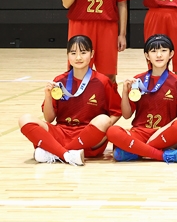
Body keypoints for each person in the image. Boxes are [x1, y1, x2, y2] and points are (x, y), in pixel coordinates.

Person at [18, 35, 121, 166]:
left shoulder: (102, 81)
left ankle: (54, 152)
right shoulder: (60, 81)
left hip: (88, 136)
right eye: (73, 53)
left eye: (83, 53)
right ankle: (67, 155)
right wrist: (48, 96)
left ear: (92, 54)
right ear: (68, 55)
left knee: (104, 120)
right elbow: (49, 118)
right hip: (62, 132)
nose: (78, 58)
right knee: (25, 119)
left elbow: (116, 111)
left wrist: (101, 129)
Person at [106, 35, 177, 163]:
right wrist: (124, 92)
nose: (159, 55)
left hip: (164, 133)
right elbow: (127, 115)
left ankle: (136, 151)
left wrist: (160, 131)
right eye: (153, 51)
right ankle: (163, 155)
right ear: (147, 55)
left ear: (171, 53)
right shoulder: (138, 80)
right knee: (112, 131)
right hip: (140, 133)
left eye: (163, 50)